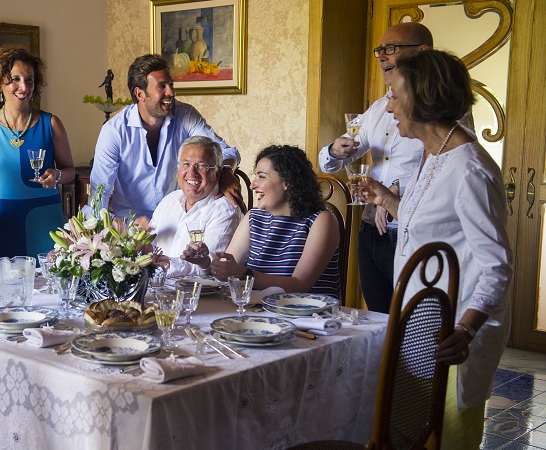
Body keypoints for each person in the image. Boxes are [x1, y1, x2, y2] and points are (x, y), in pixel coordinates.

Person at [361, 50, 511, 450]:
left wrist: (465, 330)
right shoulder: (434, 155)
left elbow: (497, 268)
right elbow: (428, 224)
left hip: (451, 334)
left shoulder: (470, 169)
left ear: (423, 99)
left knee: (445, 439)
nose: (389, 107)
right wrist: (386, 201)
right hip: (417, 324)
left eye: (394, 95)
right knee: (409, 434)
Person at [318, 22, 472, 314]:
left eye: (391, 48)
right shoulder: (378, 108)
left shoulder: (449, 115)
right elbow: (337, 155)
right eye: (379, 50)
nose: (381, 57)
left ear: (423, 52)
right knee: (379, 320)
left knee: (412, 320)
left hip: (409, 231)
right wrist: (335, 150)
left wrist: (400, 191)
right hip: (370, 228)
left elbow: (446, 159)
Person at [89, 53, 242, 220]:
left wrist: (226, 170)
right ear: (140, 94)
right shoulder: (113, 131)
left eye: (171, 84)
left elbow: (226, 151)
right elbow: (98, 196)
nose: (171, 92)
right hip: (130, 229)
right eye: (162, 86)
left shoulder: (186, 115)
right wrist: (112, 232)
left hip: (177, 221)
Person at [0, 47, 75, 258]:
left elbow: (69, 171)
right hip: (3, 223)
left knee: (50, 286)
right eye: (15, 79)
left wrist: (56, 175)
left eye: (29, 80)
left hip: (45, 222)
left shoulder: (51, 123)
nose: (24, 86)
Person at [186, 145, 340, 296]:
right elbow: (226, 276)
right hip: (259, 312)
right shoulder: (253, 218)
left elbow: (299, 285)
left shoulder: (321, 220)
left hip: (311, 316)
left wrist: (244, 273)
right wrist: (205, 264)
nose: (253, 185)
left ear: (288, 182)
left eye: (261, 176)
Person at [136, 136, 242, 277]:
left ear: (217, 173)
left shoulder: (225, 211)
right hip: (155, 286)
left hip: (195, 294)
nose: (192, 172)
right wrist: (139, 242)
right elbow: (152, 249)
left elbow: (208, 265)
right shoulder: (169, 201)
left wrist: (155, 265)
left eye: (202, 165)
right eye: (186, 164)